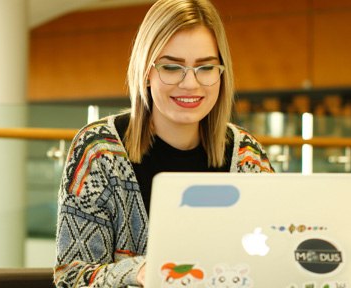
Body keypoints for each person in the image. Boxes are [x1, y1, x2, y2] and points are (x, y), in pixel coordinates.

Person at [54, 0, 274, 287]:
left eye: (205, 67)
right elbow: (71, 278)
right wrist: (139, 272)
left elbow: (273, 257)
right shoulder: (99, 151)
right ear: (146, 72)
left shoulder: (247, 154)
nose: (191, 84)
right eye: (172, 67)